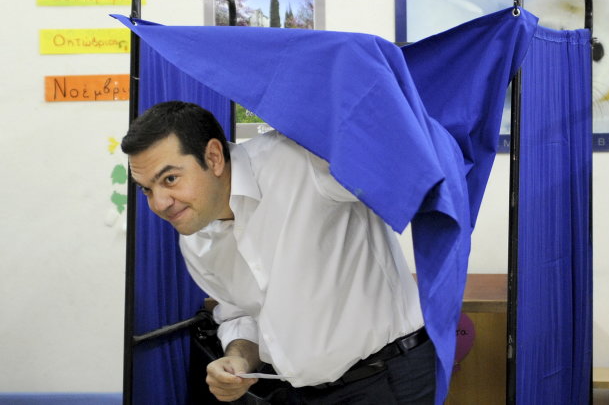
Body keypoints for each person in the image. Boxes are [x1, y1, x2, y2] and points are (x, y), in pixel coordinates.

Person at [121, 100, 435, 404]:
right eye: (146, 188)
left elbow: (400, 164)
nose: (159, 203)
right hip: (302, 391)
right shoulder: (195, 240)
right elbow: (241, 314)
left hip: (386, 375)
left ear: (214, 157)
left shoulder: (299, 159)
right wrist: (237, 360)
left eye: (170, 179)